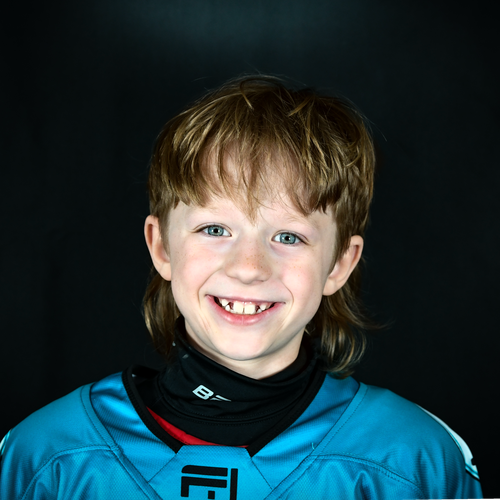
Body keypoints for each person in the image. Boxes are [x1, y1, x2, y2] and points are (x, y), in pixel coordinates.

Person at [0, 76, 482, 499]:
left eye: (288, 237)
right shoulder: (47, 454)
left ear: (340, 264)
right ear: (162, 247)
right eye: (215, 229)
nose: (249, 268)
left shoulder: (412, 459)